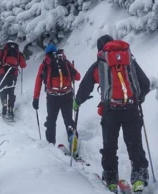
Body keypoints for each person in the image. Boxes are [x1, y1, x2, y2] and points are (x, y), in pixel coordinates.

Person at [73, 35, 150, 193]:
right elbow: (145, 84)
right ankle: (139, 178)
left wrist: (78, 101)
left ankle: (111, 179)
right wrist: (139, 98)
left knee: (109, 147)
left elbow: (86, 84)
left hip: (111, 111)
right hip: (131, 109)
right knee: (135, 144)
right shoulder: (129, 59)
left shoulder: (100, 64)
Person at [32, 43, 81, 153]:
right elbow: (78, 77)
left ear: (46, 53)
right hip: (67, 95)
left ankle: (51, 145)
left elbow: (38, 82)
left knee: (51, 121)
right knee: (68, 120)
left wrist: (36, 98)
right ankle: (73, 140)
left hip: (53, 97)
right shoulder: (65, 61)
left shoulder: (45, 64)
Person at [0, 40, 27, 120]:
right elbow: (23, 65)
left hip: (3, 73)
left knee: (3, 90)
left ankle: (4, 104)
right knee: (11, 92)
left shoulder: (2, 51)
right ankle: (10, 109)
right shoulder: (17, 53)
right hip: (13, 74)